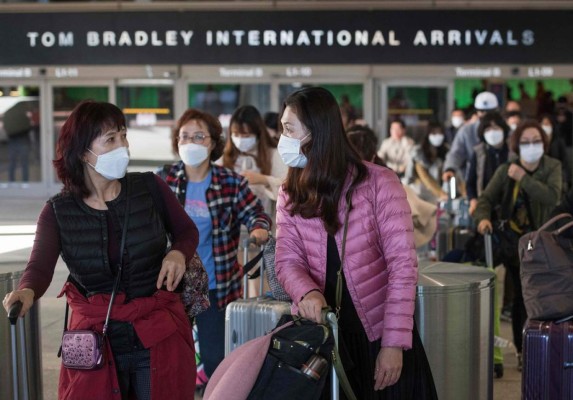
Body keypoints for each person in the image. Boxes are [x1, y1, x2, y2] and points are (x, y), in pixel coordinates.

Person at [2, 101, 199, 400]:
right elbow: (39, 267)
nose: (123, 146)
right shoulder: (57, 211)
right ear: (83, 152)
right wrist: (26, 291)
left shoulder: (150, 188)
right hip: (94, 343)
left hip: (156, 334)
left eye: (123, 135)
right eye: (110, 139)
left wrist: (177, 254)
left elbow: (186, 232)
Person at [275, 87, 437, 399]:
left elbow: (403, 267)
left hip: (378, 332)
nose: (282, 137)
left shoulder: (379, 183)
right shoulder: (290, 192)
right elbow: (286, 258)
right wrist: (305, 291)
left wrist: (393, 344)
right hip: (322, 335)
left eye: (288, 128)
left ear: (317, 130)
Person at [157, 107, 271, 382]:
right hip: (171, 285)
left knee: (214, 359)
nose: (190, 142)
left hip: (215, 286)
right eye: (184, 136)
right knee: (169, 359)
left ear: (213, 142)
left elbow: (257, 213)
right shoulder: (163, 179)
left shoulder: (229, 182)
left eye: (199, 136)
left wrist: (258, 228)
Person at [473, 121, 562, 371]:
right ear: (516, 144)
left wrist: (523, 178)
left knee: (544, 298)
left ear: (544, 144)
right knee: (522, 298)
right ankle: (524, 351)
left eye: (536, 141)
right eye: (525, 141)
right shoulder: (505, 170)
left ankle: (545, 347)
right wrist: (482, 218)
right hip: (515, 244)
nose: (531, 146)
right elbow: (486, 199)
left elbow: (552, 196)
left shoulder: (552, 167)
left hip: (545, 243)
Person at [221, 105, 287, 213]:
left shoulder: (274, 154)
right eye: (236, 134)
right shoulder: (225, 156)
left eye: (246, 135)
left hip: (265, 219)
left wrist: (264, 180)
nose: (240, 140)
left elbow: (288, 189)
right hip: (231, 221)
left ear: (258, 133)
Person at [442, 91, 499, 185]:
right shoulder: (467, 131)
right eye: (482, 111)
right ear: (477, 111)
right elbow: (456, 153)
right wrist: (450, 168)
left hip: (499, 181)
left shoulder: (505, 130)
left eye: (489, 112)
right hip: (472, 181)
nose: (485, 115)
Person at [466, 112, 511, 216]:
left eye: (495, 128)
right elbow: (470, 182)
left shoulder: (513, 152)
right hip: (484, 207)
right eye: (488, 130)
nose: (492, 133)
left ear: (503, 129)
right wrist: (473, 201)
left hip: (509, 207)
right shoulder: (479, 152)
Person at [404, 121, 450, 203]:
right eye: (434, 133)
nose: (438, 136)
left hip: (441, 191)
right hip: (420, 192)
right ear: (428, 134)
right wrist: (440, 193)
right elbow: (425, 177)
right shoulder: (418, 152)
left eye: (440, 133)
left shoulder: (446, 151)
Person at [540, 113, 571, 193]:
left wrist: (565, 180)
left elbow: (565, 163)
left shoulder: (559, 141)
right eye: (544, 124)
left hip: (557, 176)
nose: (546, 126)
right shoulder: (538, 142)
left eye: (548, 124)